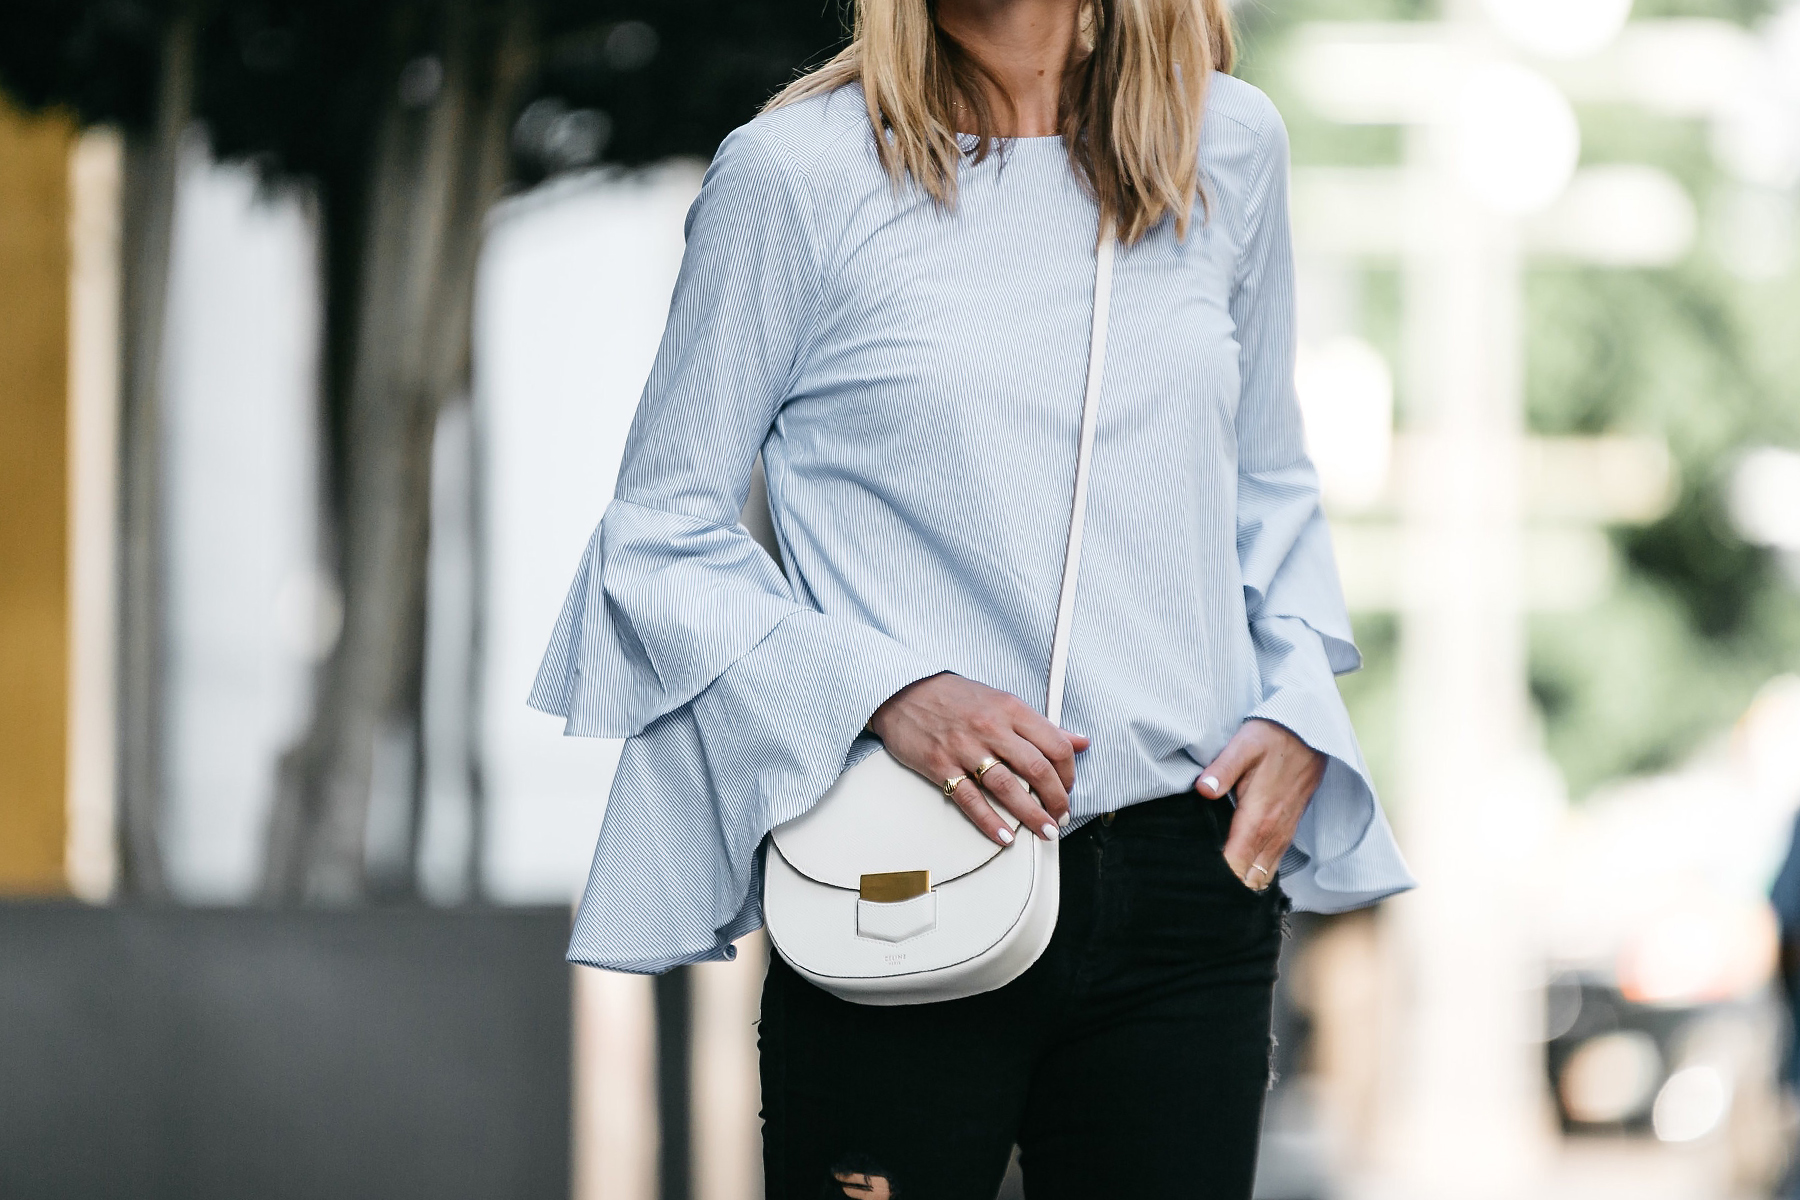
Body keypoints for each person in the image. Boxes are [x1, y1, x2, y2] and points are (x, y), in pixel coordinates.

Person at [530, 0, 1415, 1194]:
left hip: (1182, 881)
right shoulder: (795, 176)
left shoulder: (1229, 145)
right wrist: (893, 690)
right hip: (904, 862)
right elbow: (659, 538)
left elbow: (1264, 479)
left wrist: (1300, 707)